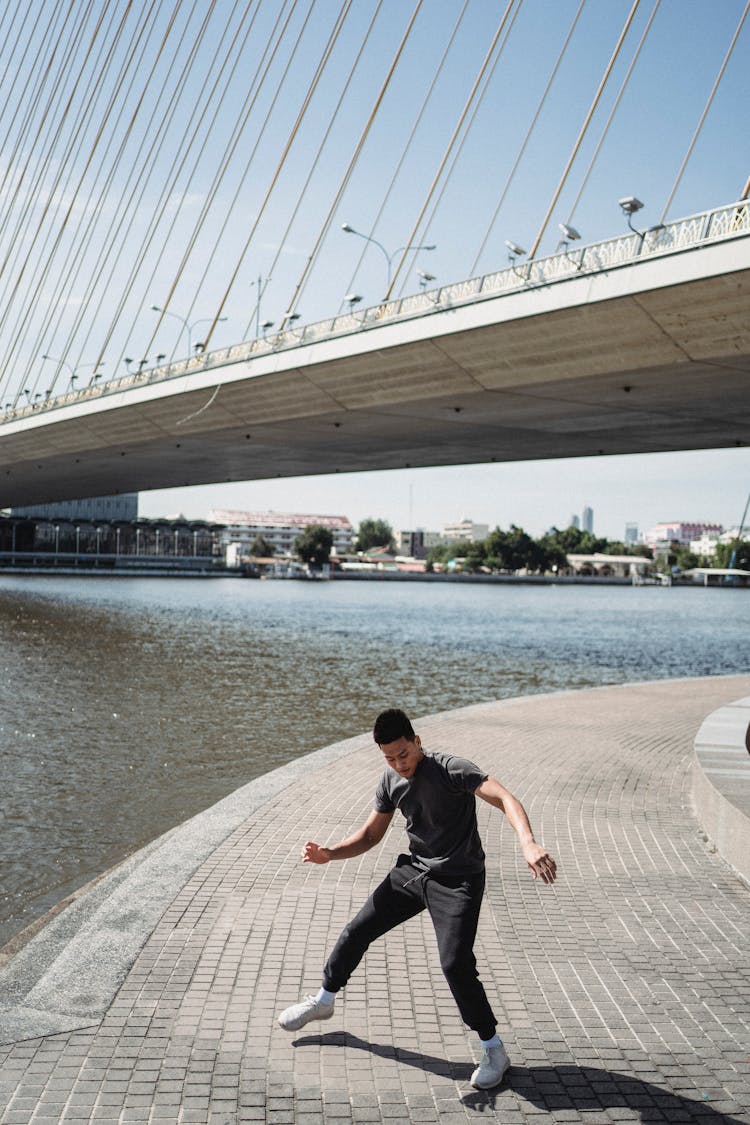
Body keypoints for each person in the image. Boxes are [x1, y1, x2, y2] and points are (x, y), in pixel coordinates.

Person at [277, 707, 557, 1089]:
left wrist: (527, 842)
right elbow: (370, 836)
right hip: (414, 872)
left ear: (418, 742)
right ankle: (324, 1000)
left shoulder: (451, 769)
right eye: (389, 758)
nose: (399, 764)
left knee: (455, 963)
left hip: (458, 881)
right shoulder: (391, 781)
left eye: (404, 754)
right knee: (357, 929)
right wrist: (330, 853)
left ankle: (494, 1049)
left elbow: (505, 797)